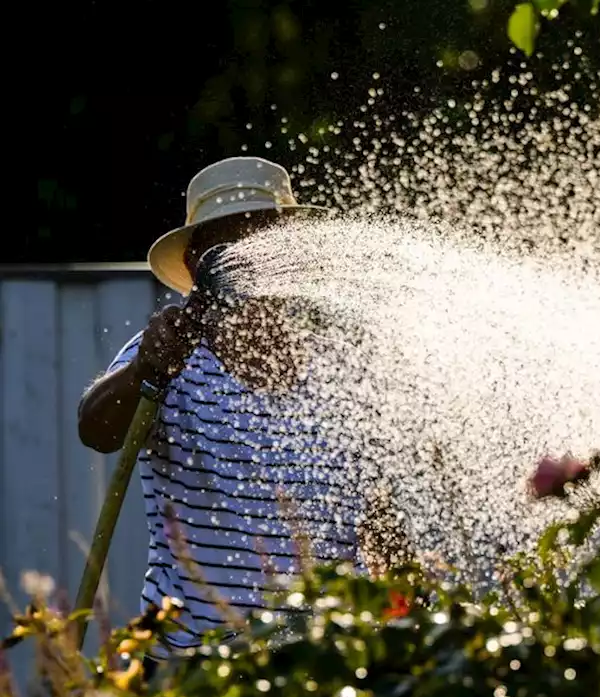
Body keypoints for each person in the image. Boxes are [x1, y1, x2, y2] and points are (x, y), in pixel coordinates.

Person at [78, 156, 411, 661]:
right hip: (199, 663)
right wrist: (145, 369)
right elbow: (95, 430)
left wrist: (408, 630)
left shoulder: (344, 370)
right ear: (195, 265)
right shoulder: (168, 356)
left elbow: (379, 526)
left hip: (327, 666)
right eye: (227, 243)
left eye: (263, 239)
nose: (248, 259)